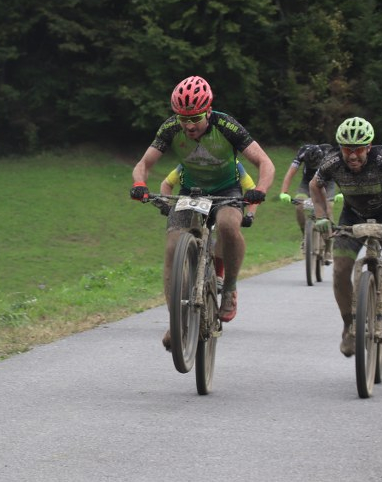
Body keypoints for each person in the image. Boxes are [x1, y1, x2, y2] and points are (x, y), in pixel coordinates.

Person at [130, 75, 275, 349]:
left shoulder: (227, 125)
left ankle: (229, 288)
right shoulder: (171, 128)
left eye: (195, 118)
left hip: (226, 190)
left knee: (228, 225)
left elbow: (265, 162)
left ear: (208, 111)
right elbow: (144, 164)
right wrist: (139, 183)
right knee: (172, 247)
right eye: (183, 118)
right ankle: (177, 320)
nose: (189, 125)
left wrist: (260, 189)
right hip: (190, 192)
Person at [309, 117, 382, 357]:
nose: (352, 156)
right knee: (340, 269)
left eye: (359, 150)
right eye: (347, 150)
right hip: (352, 215)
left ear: (369, 147)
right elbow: (314, 185)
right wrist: (322, 217)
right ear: (340, 149)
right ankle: (349, 326)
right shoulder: (332, 163)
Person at [160, 162, 259, 289]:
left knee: (224, 227)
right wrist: (166, 203)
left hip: (223, 197)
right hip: (193, 198)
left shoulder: (233, 164)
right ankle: (186, 260)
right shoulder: (188, 162)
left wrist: (250, 215)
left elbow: (252, 190)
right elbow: (166, 184)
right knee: (182, 226)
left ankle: (219, 275)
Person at [278, 143, 336, 262]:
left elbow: (340, 174)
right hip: (307, 183)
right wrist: (284, 192)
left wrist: (340, 194)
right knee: (299, 206)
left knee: (328, 209)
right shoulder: (302, 152)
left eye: (315, 166)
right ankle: (306, 236)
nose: (313, 168)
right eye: (311, 166)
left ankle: (329, 248)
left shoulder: (330, 154)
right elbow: (290, 173)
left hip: (327, 183)